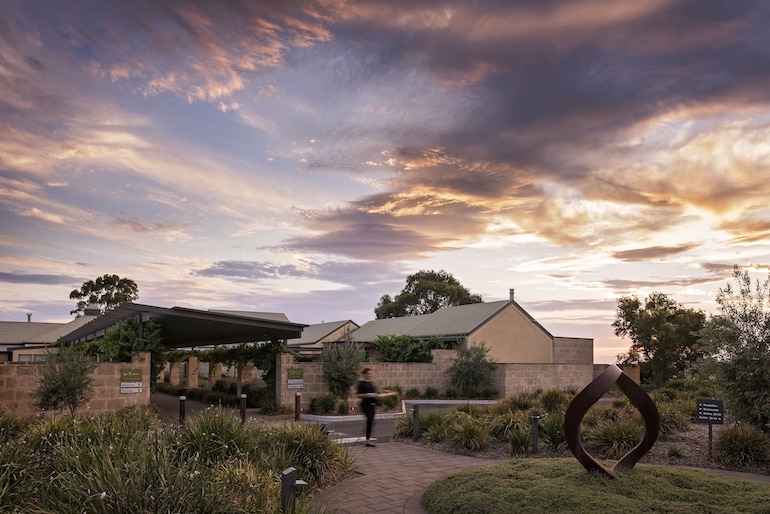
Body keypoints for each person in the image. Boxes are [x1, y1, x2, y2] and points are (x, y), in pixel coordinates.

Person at [356, 366, 379, 447]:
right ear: (364, 374)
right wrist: (367, 395)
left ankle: (367, 440)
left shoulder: (371, 383)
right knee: (369, 419)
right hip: (365, 405)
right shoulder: (361, 384)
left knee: (371, 421)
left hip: (372, 405)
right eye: (368, 374)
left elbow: (375, 393)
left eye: (370, 374)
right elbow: (358, 395)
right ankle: (367, 440)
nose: (370, 375)